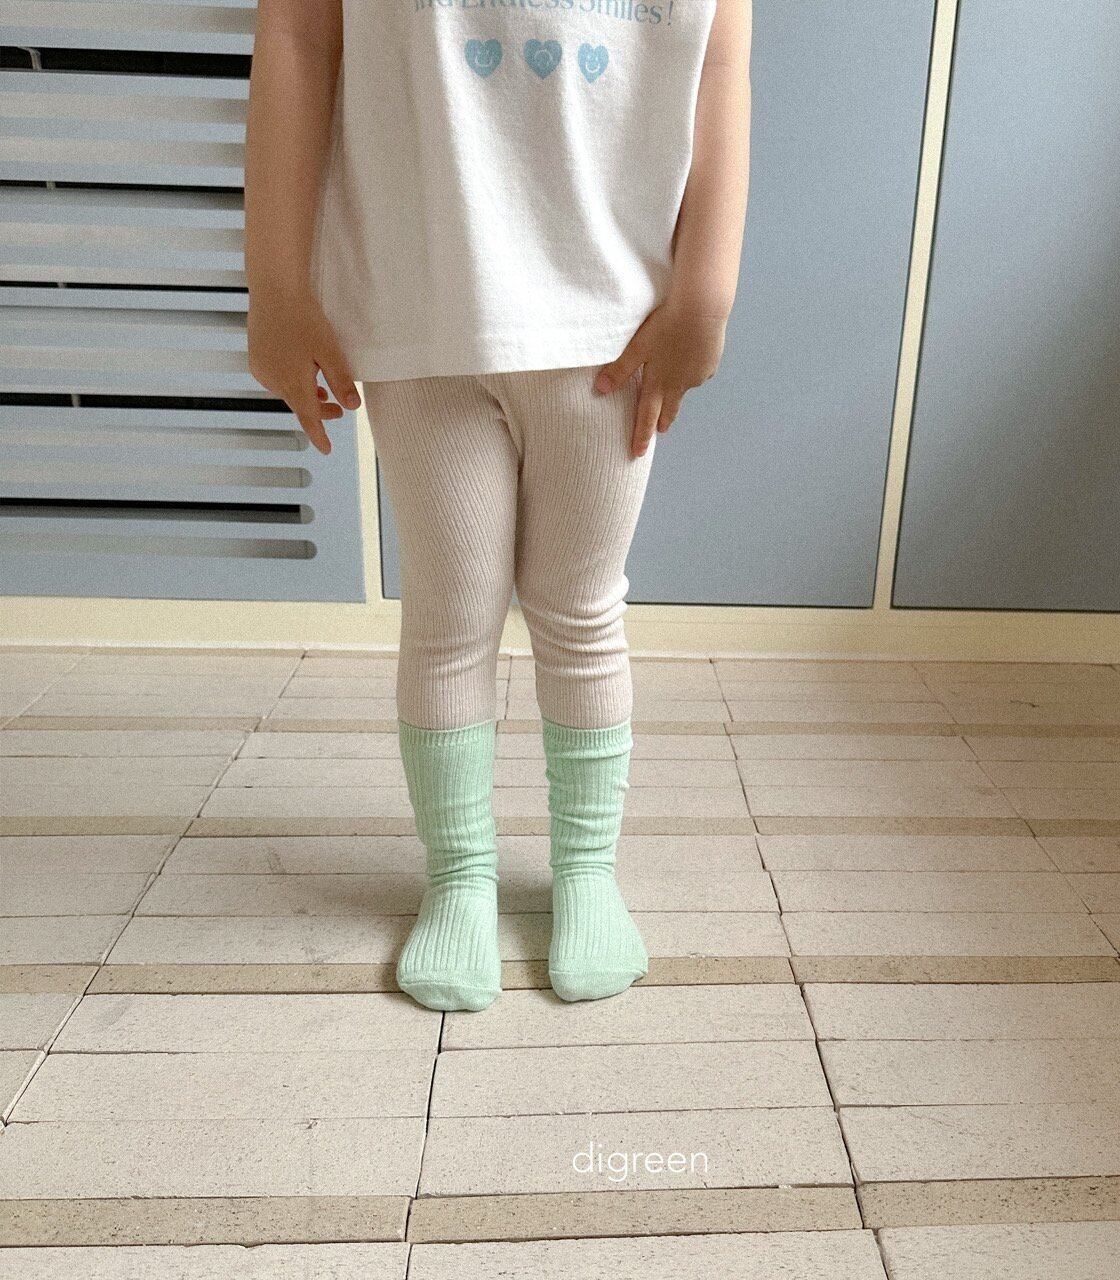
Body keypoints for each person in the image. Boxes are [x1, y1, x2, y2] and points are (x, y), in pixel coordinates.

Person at [244, 0, 752, 1012]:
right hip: (420, 299)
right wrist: (275, 285)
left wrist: (708, 286)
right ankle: (460, 877)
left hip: (612, 311)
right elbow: (296, 34)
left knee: (580, 610)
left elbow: (719, 56)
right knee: (449, 616)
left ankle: (585, 874)